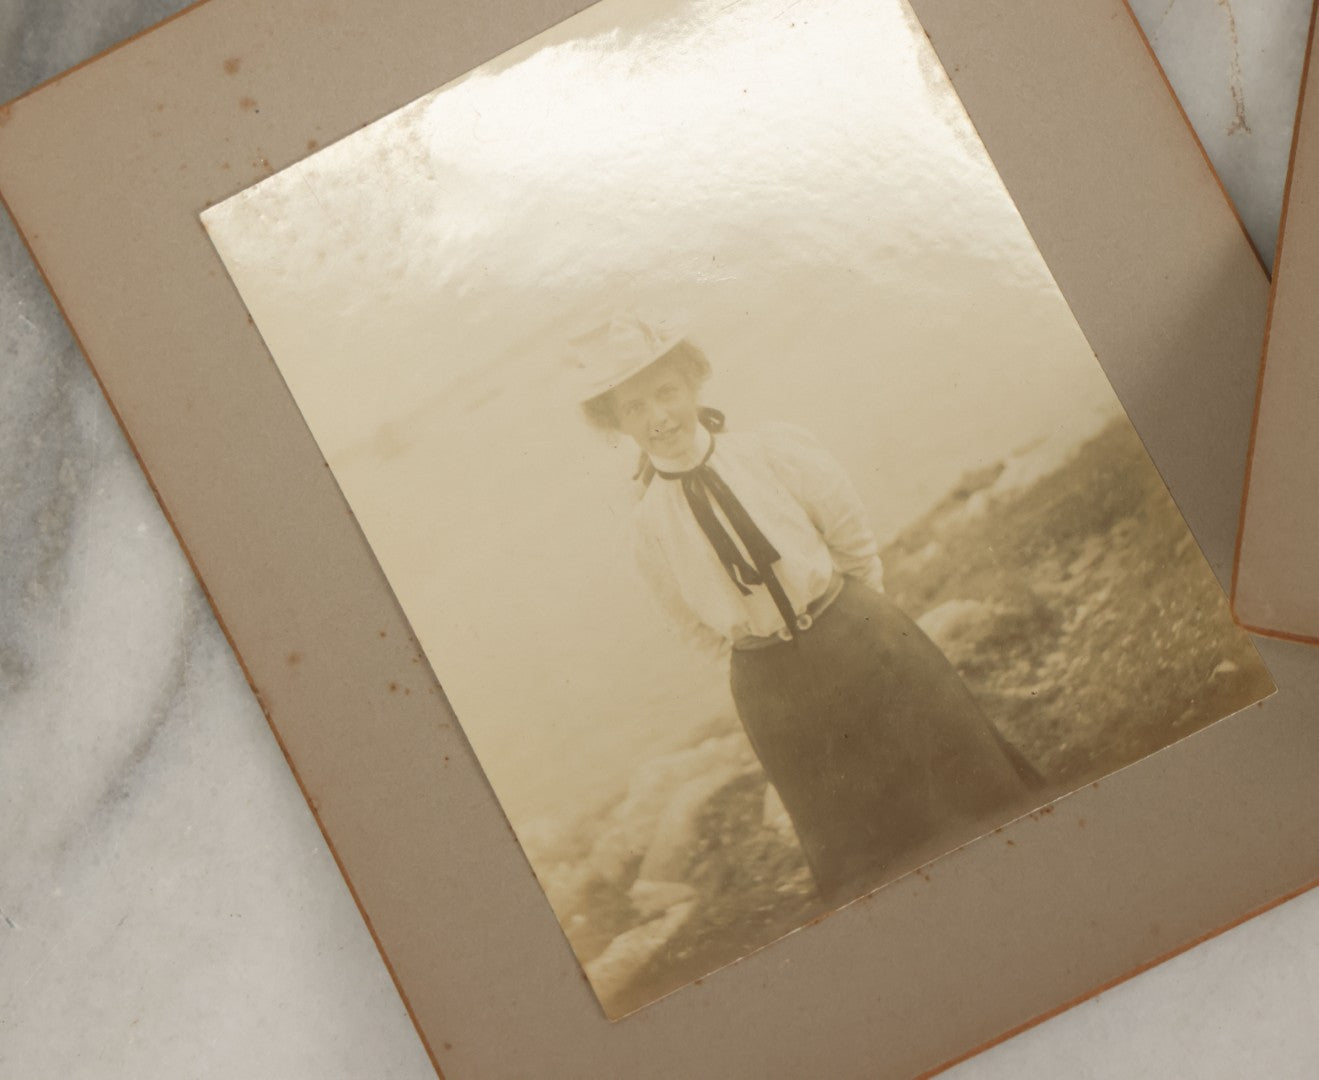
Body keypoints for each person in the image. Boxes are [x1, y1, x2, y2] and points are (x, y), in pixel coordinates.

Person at [570, 312, 1043, 900]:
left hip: (858, 633)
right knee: (858, 843)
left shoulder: (771, 452)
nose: (658, 417)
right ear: (618, 422)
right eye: (635, 407)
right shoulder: (647, 525)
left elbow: (851, 538)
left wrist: (856, 621)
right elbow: (688, 622)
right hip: (771, 688)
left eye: (666, 392)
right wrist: (760, 660)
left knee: (962, 787)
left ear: (693, 383)